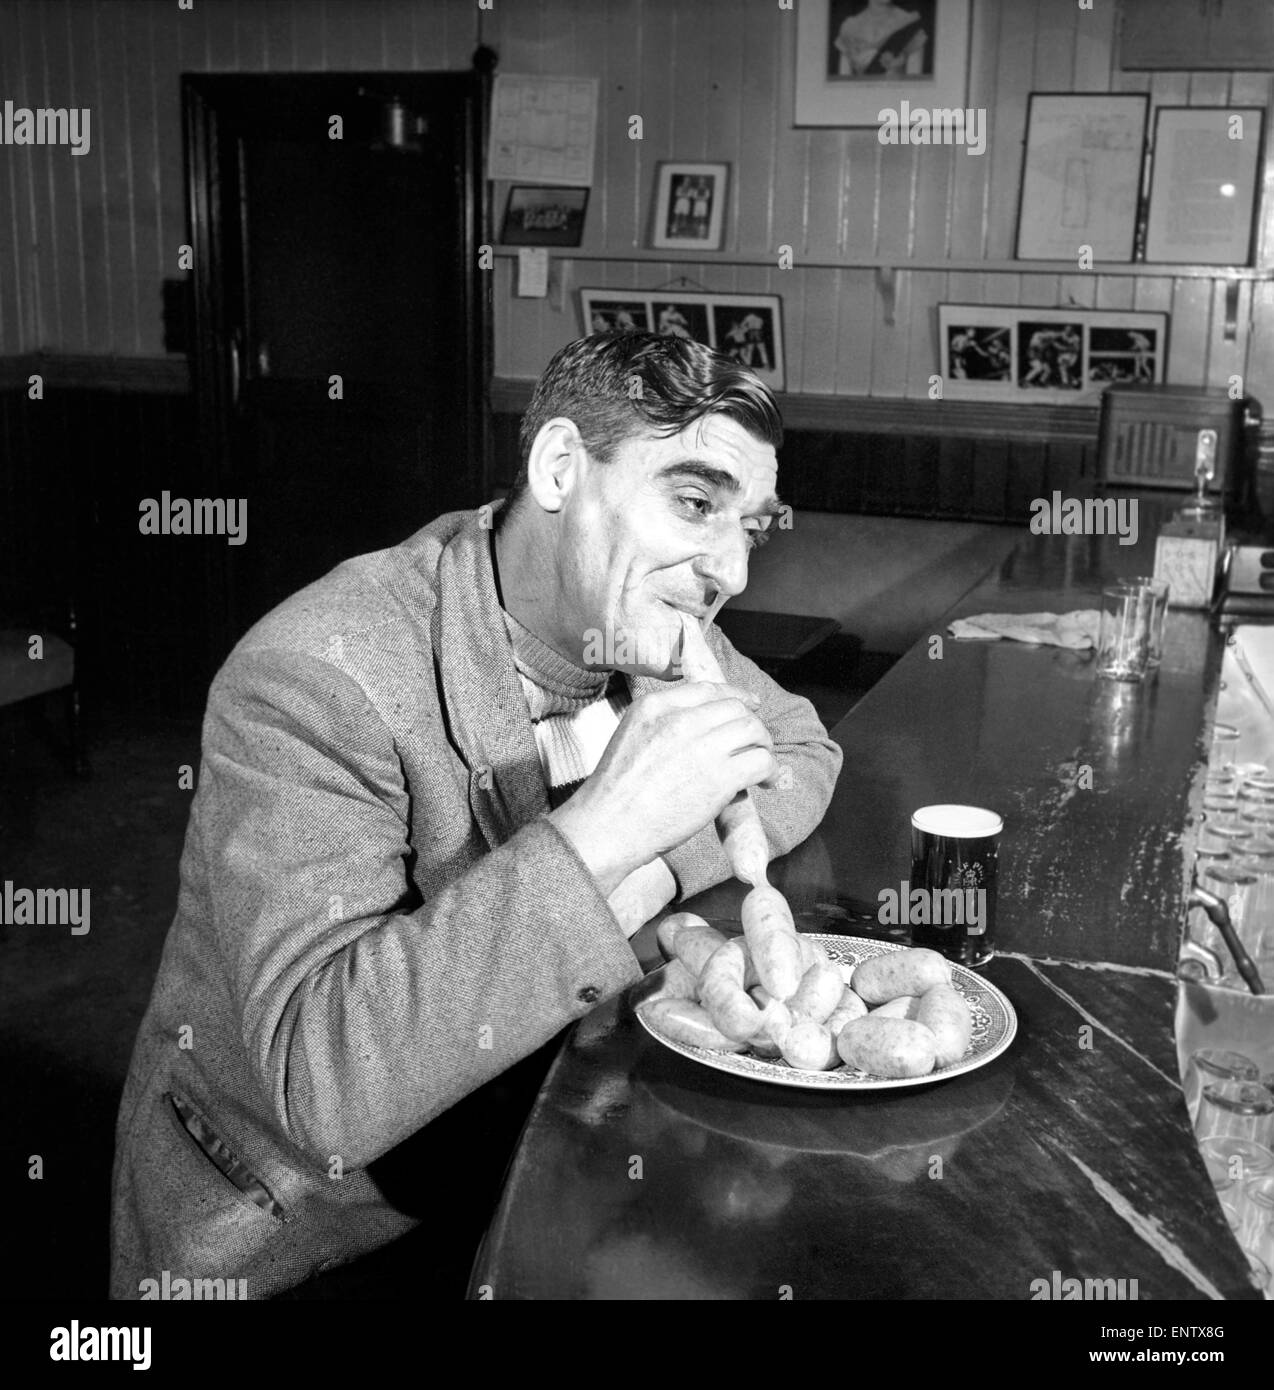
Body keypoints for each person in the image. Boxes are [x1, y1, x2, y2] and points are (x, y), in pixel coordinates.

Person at [109, 331, 843, 1300]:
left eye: (748, 524)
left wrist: (651, 872)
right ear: (557, 468)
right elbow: (323, 1081)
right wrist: (610, 826)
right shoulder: (316, 672)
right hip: (308, 1233)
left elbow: (797, 746)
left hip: (532, 1156)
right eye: (695, 502)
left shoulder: (640, 621)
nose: (730, 571)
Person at [834, 0, 928, 77]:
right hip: (860, 98)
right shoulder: (850, 27)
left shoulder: (909, 22)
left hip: (897, 97)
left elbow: (915, 88)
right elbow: (843, 82)